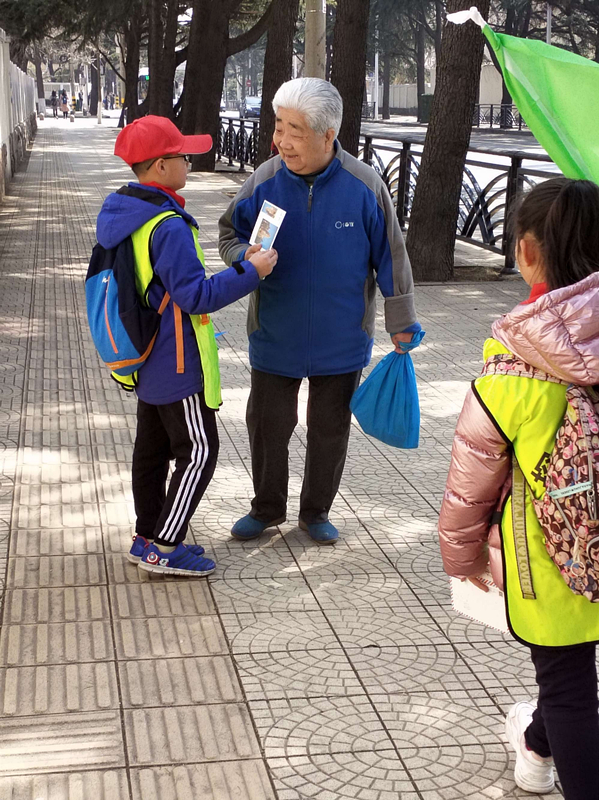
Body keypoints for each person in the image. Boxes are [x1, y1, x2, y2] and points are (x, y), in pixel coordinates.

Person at [438, 177, 599, 800]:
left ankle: (548, 750)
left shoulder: (512, 370)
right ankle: (535, 745)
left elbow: (471, 482)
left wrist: (463, 559)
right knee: (568, 691)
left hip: (552, 560)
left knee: (569, 687)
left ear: (526, 253)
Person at [219, 78, 420, 545]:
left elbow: (392, 255)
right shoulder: (265, 180)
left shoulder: (364, 185)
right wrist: (243, 256)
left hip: (342, 336)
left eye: (295, 130)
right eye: (278, 126)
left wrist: (401, 319)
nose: (282, 141)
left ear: (328, 135)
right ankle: (266, 507)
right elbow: (230, 233)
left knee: (330, 430)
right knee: (268, 426)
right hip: (275, 332)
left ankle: (316, 512)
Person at [96, 115, 277, 577]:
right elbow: (196, 296)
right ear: (160, 166)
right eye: (182, 156)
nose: (189, 162)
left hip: (147, 355)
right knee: (199, 452)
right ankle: (164, 546)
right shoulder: (168, 225)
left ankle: (146, 535)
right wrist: (251, 272)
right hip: (176, 361)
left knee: (152, 452)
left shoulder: (127, 212)